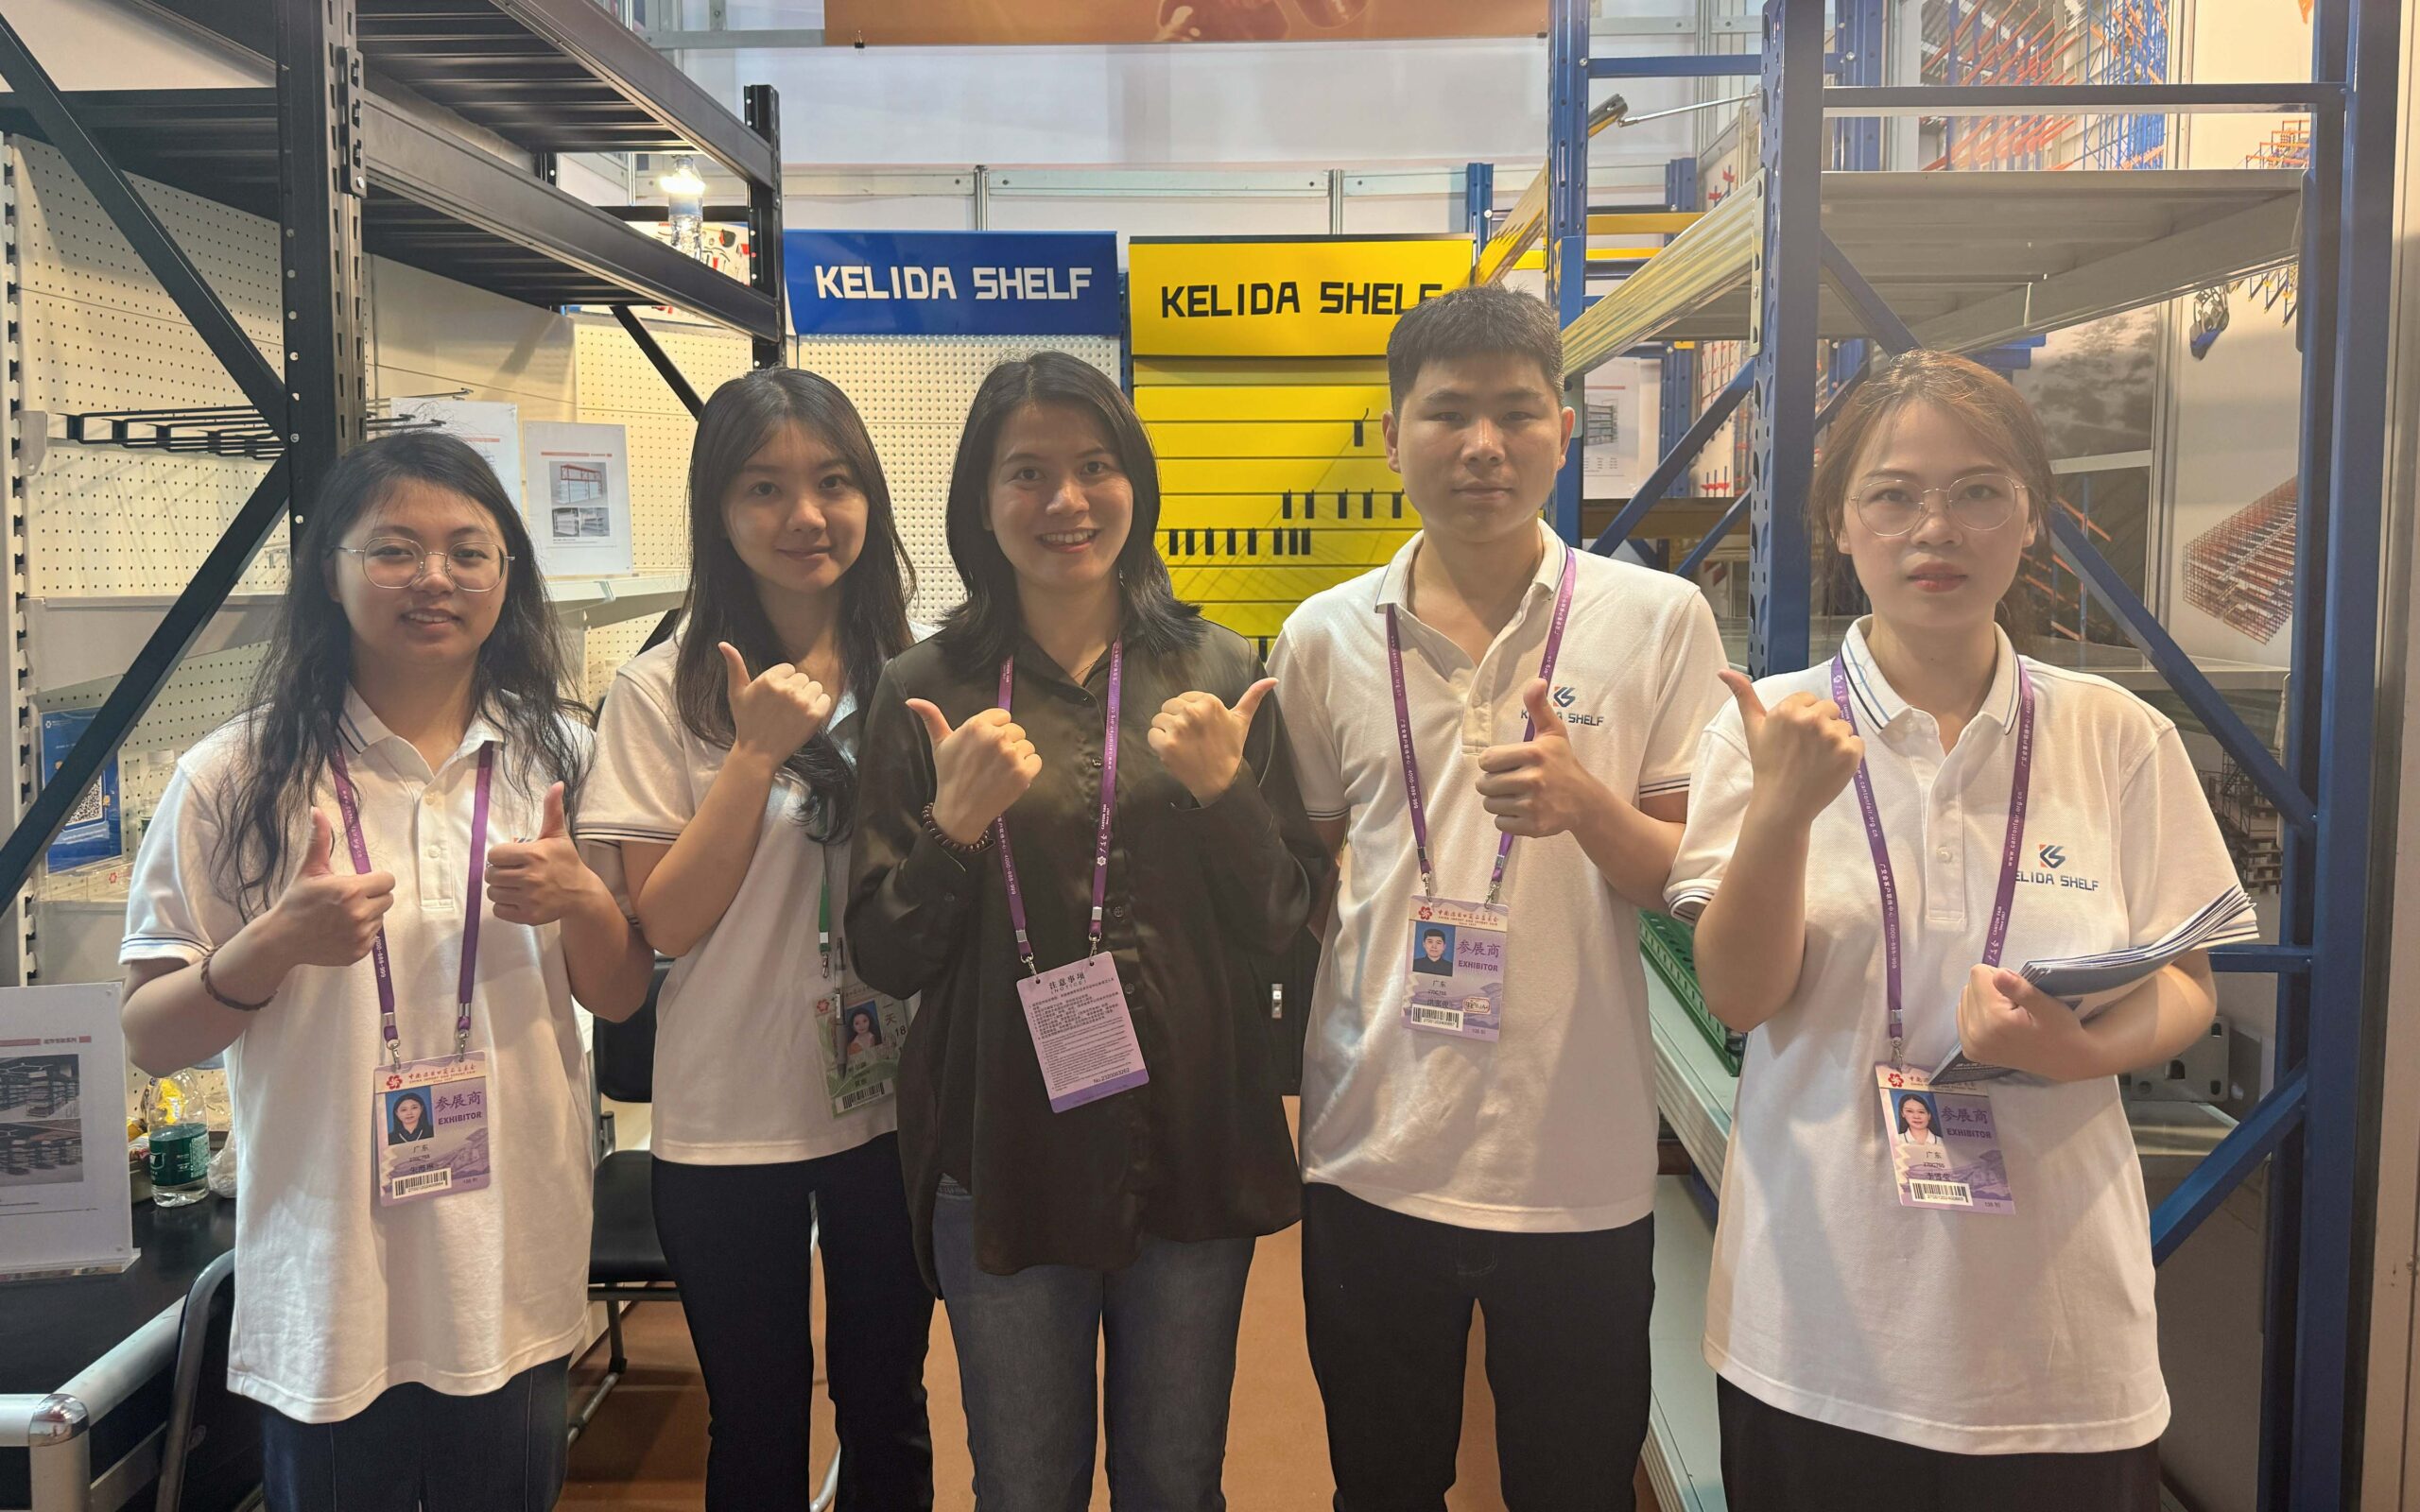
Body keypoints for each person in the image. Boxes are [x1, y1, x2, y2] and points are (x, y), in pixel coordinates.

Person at [1667, 350, 2259, 1510]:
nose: (1934, 528)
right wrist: (1782, 812)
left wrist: (2079, 1050)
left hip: (2058, 1341)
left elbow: (2187, 980)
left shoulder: (2114, 734)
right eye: (1892, 494)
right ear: (1839, 523)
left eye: (1978, 491)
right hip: (1816, 1326)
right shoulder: (1763, 727)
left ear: (2031, 519)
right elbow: (1739, 995)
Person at [119, 431, 656, 1512]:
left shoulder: (558, 754)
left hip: (511, 1266)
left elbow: (620, 992)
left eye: (469, 551)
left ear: (507, 575)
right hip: (331, 1287)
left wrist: (583, 899)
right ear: (331, 570)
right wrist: (273, 943)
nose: (434, 578)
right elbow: (149, 1033)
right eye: (395, 549)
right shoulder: (234, 774)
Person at [1269, 284, 1729, 1510]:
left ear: (1563, 432)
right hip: (1372, 1149)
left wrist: (1589, 809)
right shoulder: (1322, 637)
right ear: (1392, 435)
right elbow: (1319, 874)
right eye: (1447, 413)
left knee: (1572, 1486)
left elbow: (1687, 883)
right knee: (1382, 1484)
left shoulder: (1656, 620)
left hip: (1575, 1158)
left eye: (1517, 413)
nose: (1483, 445)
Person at [849, 351, 1327, 1511]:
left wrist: (1224, 798)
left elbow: (1284, 924)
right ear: (980, 501)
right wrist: (953, 832)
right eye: (1027, 472)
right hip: (1004, 1143)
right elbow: (885, 952)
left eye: (1094, 467)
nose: (1064, 500)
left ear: (1136, 486)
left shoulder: (1220, 669)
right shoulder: (924, 687)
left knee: (1175, 1478)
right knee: (1022, 1483)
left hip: (1190, 1137)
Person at [584, 368, 934, 1509]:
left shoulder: (921, 671)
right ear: (718, 512)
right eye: (765, 488)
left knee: (888, 1409)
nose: (806, 516)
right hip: (727, 1115)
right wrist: (751, 754)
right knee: (756, 1418)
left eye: (834, 482)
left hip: (892, 1106)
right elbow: (667, 921)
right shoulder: (659, 691)